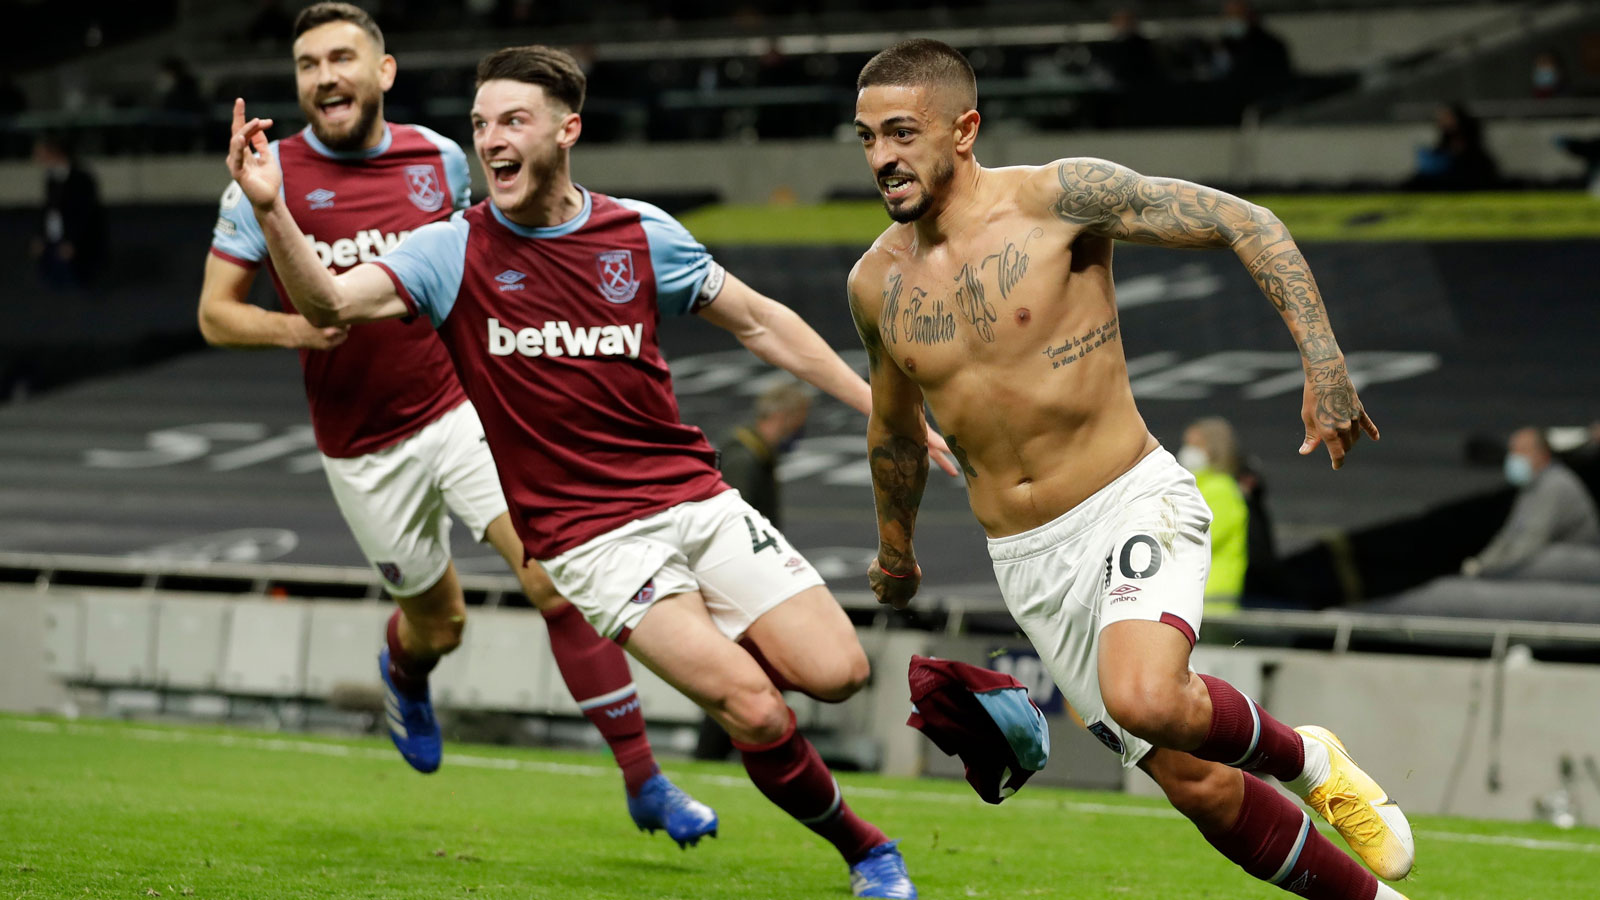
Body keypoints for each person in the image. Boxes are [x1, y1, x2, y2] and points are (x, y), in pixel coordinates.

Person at [226, 42, 958, 899]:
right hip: (591, 540)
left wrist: (880, 406)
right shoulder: (450, 251)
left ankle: (730, 690)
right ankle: (869, 851)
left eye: (511, 121)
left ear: (567, 129)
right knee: (756, 707)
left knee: (839, 673)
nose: (490, 139)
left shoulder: (639, 234)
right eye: (478, 125)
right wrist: (272, 211)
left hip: (695, 499)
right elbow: (328, 303)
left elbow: (761, 322)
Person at [848, 39, 1413, 900]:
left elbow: (1245, 221)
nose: (882, 157)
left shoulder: (1060, 199)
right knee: (1202, 786)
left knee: (1146, 695)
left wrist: (1325, 365)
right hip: (1028, 564)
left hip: (1129, 503)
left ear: (964, 129)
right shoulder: (873, 283)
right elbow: (894, 429)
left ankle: (1309, 757)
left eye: (900, 132)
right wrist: (896, 553)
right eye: (865, 138)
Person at [199, 4, 717, 847]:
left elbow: (492, 254)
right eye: (306, 64)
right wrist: (302, 326)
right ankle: (406, 671)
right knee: (441, 623)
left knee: (553, 578)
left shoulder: (442, 160)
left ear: (384, 72)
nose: (324, 76)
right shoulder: (268, 176)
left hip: (462, 409)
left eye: (341, 57)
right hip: (362, 448)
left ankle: (645, 781)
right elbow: (217, 316)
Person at [695, 379, 813, 761]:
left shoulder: (750, 451)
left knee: (744, 670)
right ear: (784, 416)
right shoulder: (745, 457)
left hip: (741, 582)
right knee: (742, 670)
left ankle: (722, 752)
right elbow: (738, 526)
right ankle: (720, 752)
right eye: (799, 423)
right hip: (739, 584)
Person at [1461, 427, 1600, 582]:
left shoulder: (1555, 484)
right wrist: (1480, 563)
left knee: (1538, 558)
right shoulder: (1531, 487)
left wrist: (1488, 568)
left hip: (1583, 561)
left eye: (1522, 451)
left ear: (1543, 455)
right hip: (1562, 558)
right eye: (1512, 451)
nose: (1514, 457)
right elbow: (1510, 535)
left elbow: (1531, 541)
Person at [1176, 418, 1247, 613]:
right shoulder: (1200, 485)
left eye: (1195, 445)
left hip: (1212, 597)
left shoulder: (1220, 489)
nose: (1188, 450)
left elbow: (1197, 538)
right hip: (1200, 593)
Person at [30, 135, 107, 289]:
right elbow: (48, 210)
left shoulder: (81, 179)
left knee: (75, 284)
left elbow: (85, 214)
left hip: (76, 242)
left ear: (54, 153)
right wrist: (41, 236)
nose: (37, 159)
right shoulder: (51, 178)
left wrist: (72, 241)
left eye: (41, 154)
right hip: (55, 238)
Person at [1406, 103, 1499, 192]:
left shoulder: (1468, 135)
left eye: (1446, 117)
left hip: (1466, 176)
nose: (1441, 121)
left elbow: (1468, 161)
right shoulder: (1446, 137)